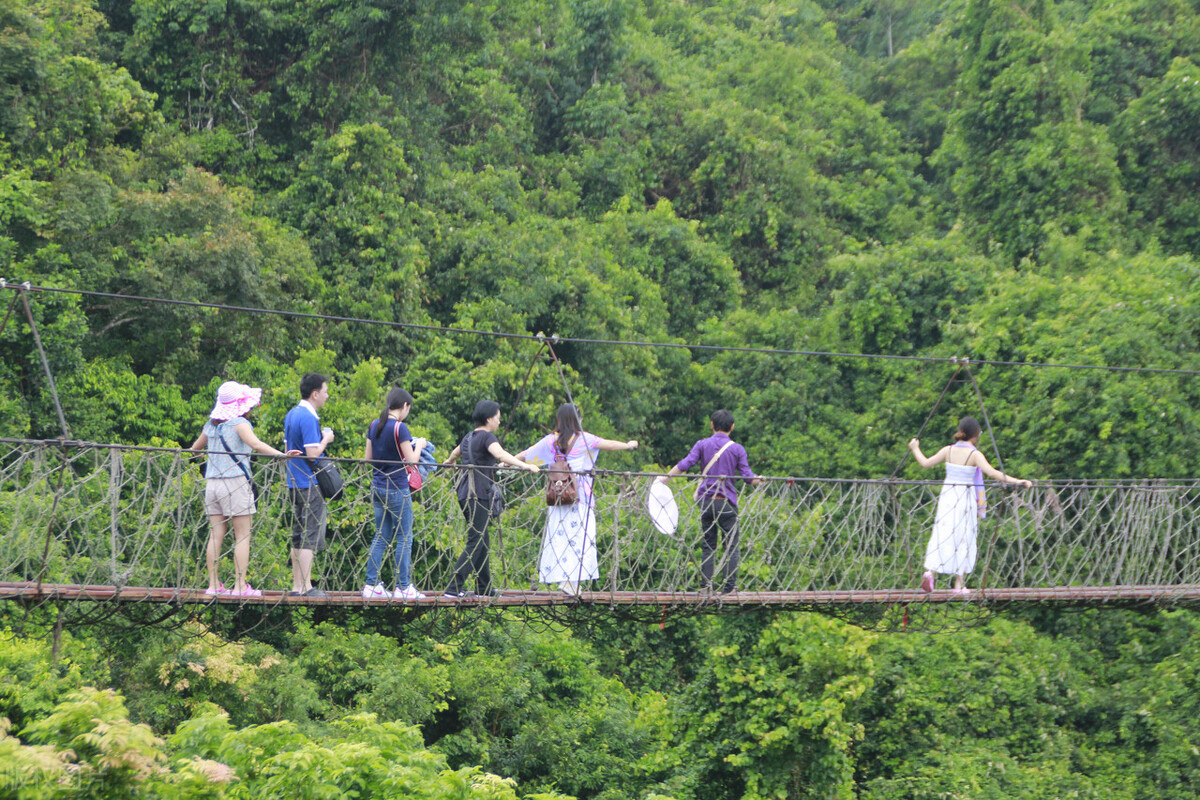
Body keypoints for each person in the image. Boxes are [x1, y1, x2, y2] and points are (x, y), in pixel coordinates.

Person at [190, 381, 298, 598]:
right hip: (235, 482)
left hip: (212, 484)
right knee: (242, 535)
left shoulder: (210, 426)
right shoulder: (239, 424)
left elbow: (194, 451)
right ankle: (240, 587)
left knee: (216, 534)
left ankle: (213, 586)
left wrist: (211, 458)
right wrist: (282, 455)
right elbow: (256, 445)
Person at [517, 404, 638, 595]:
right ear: (577, 419)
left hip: (557, 497)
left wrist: (506, 461)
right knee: (580, 539)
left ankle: (561, 579)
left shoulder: (551, 441)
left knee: (558, 538)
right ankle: (572, 583)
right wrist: (629, 445)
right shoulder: (584, 439)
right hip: (579, 497)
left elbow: (528, 454)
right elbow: (610, 444)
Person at [908, 416, 1033, 594]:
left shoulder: (948, 450)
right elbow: (993, 473)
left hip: (948, 496)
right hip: (965, 498)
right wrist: (1018, 481)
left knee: (942, 532)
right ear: (975, 435)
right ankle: (958, 585)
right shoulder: (974, 454)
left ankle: (930, 572)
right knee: (964, 536)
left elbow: (925, 463)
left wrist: (915, 448)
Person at [443, 401, 539, 599]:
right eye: (497, 417)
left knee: (482, 540)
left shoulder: (469, 437)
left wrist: (449, 463)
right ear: (488, 419)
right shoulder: (487, 437)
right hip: (478, 493)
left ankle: (484, 587)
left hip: (464, 492)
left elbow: (455, 452)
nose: (499, 420)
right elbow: (499, 453)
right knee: (476, 540)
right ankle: (453, 587)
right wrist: (525, 466)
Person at [657, 409, 759, 593]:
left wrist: (664, 479)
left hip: (706, 502)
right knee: (731, 546)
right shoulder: (737, 449)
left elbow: (685, 464)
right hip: (726, 503)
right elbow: (749, 478)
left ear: (712, 425)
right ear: (732, 427)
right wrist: (762, 479)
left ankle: (706, 587)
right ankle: (728, 588)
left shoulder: (702, 444)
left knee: (708, 545)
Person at [362, 387, 429, 600]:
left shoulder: (374, 425)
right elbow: (411, 461)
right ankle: (403, 586)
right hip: (397, 489)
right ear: (405, 406)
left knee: (381, 536)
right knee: (404, 537)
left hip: (378, 487)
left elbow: (368, 458)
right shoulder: (400, 428)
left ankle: (371, 584)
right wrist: (419, 445)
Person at [283, 373, 335, 597]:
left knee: (297, 534)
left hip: (293, 481)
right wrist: (326, 439)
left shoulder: (292, 414)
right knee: (309, 536)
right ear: (315, 394)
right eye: (325, 391)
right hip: (308, 482)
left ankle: (296, 586)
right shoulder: (308, 417)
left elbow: (287, 448)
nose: (327, 395)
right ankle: (306, 586)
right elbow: (313, 454)